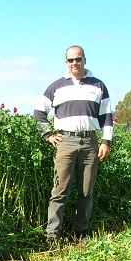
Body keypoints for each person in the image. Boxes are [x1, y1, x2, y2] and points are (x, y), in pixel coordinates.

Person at [34, 45, 113, 244]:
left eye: (78, 59)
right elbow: (39, 113)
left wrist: (106, 142)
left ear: (85, 60)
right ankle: (52, 235)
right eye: (71, 60)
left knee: (86, 191)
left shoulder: (99, 86)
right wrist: (48, 135)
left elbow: (107, 117)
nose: (75, 63)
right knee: (60, 190)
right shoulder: (56, 87)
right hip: (65, 142)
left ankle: (81, 232)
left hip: (90, 142)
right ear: (66, 63)